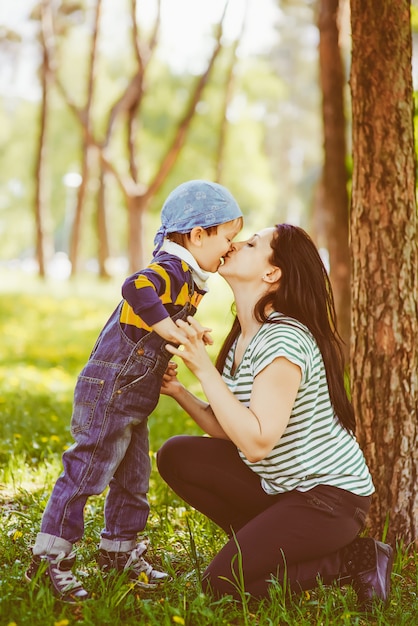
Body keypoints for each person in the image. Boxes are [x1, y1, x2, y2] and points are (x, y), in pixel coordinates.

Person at [25, 179, 243, 603]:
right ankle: (50, 557)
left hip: (133, 395)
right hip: (109, 388)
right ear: (197, 235)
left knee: (133, 478)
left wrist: (186, 328)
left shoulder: (190, 277)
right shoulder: (171, 266)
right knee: (88, 471)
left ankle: (119, 552)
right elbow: (135, 287)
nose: (230, 248)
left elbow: (159, 314)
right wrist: (168, 328)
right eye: (227, 238)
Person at [157, 224, 394, 612]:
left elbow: (257, 442)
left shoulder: (283, 339)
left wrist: (204, 370)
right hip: (282, 487)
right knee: (177, 456)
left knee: (221, 587)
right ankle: (260, 548)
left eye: (252, 244)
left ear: (272, 273)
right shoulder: (242, 336)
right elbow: (231, 429)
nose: (235, 244)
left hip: (329, 499)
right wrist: (180, 392)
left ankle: (353, 560)